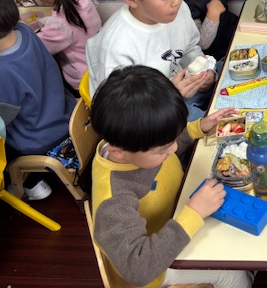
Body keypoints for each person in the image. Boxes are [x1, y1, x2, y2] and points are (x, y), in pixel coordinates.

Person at [90, 65, 252, 288]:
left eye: (173, 139)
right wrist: (193, 214)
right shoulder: (113, 200)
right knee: (234, 275)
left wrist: (198, 128)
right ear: (118, 152)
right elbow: (138, 269)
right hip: (157, 264)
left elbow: (163, 144)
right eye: (163, 149)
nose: (174, 148)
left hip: (179, 216)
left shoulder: (135, 142)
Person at [86, 0, 213, 120]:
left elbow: (190, 48)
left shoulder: (179, 10)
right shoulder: (116, 47)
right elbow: (121, 114)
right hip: (151, 116)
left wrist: (206, 73)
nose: (176, 1)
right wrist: (171, 95)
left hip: (182, 92)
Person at [0, 0, 75, 201]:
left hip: (39, 139)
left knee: (1, 142)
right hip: (65, 117)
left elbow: (1, 122)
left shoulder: (1, 70)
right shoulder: (25, 32)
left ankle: (31, 183)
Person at [14, 0, 102, 94]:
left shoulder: (60, 25)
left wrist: (18, 24)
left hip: (82, 82)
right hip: (97, 67)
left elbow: (35, 48)